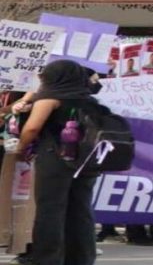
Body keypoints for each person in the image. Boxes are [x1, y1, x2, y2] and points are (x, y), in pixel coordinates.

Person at [14, 60, 103, 265]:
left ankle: (48, 258)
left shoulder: (50, 97)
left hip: (55, 159)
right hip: (86, 162)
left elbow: (32, 128)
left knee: (50, 210)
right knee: (81, 211)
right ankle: (81, 258)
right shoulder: (89, 100)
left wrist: (20, 149)